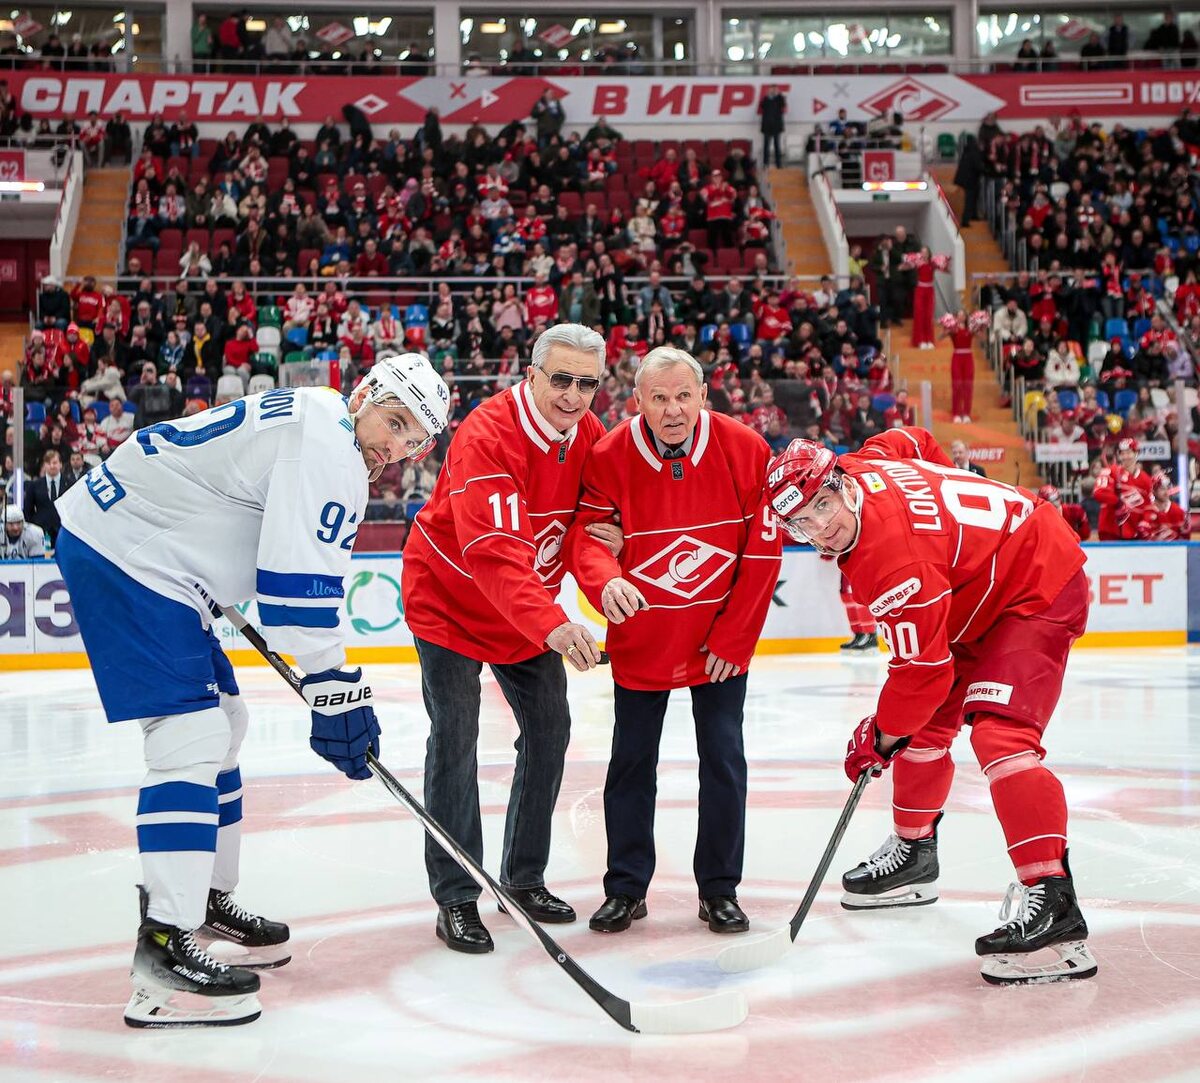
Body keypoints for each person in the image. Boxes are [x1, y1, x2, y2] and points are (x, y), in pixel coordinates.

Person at [53, 355, 451, 1028]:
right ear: (365, 395)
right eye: (394, 422)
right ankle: (162, 953)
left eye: (414, 440)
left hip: (159, 554)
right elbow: (296, 603)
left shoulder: (323, 419)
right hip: (130, 552)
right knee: (190, 738)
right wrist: (338, 692)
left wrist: (333, 686)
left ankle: (203, 898)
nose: (397, 446)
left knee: (226, 724)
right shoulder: (329, 441)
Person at [765, 427, 1096, 985]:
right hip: (974, 589)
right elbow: (911, 438)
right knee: (927, 729)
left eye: (823, 505)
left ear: (841, 484)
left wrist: (878, 738)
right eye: (803, 522)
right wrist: (950, 496)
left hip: (1035, 582)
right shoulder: (864, 461)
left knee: (1000, 737)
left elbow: (921, 675)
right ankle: (915, 855)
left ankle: (1054, 903)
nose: (822, 527)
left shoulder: (892, 564)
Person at [400, 325, 618, 954]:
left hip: (523, 616)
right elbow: (494, 557)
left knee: (550, 731)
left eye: (588, 384)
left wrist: (602, 583)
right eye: (561, 380)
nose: (574, 396)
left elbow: (583, 536)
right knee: (456, 738)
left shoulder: (590, 440)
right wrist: (554, 625)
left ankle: (522, 878)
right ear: (532, 374)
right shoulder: (487, 435)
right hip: (450, 603)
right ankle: (458, 894)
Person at [564, 348, 781, 935]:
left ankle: (719, 890)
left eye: (683, 396)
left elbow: (761, 555)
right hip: (644, 640)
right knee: (630, 765)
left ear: (703, 396)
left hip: (718, 646)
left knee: (724, 762)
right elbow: (586, 538)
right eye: (658, 398)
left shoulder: (745, 449)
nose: (672, 410)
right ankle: (626, 887)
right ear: (638, 403)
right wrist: (605, 578)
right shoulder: (608, 455)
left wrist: (735, 639)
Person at [1093, 438, 1152, 541]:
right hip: (1111, 529)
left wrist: (1145, 522)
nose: (1125, 457)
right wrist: (1118, 502)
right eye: (1122, 453)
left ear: (1136, 453)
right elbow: (1099, 492)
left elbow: (1149, 505)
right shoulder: (1111, 471)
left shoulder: (1145, 479)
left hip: (1135, 531)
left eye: (1129, 453)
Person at [24, 449, 73, 547]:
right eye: (48, 463)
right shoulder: (34, 485)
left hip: (64, 531)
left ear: (60, 464)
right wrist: (35, 525)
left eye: (55, 462)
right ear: (44, 465)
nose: (52, 466)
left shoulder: (70, 484)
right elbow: (27, 510)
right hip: (41, 532)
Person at [1133, 474, 1189, 540]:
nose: (1166, 492)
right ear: (1153, 491)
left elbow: (1185, 538)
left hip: (1174, 549)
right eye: (1162, 489)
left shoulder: (1179, 511)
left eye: (1167, 489)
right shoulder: (1146, 511)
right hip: (1152, 549)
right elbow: (1142, 536)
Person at [758, 85, 787, 169]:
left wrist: (778, 94)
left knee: (777, 146)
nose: (773, 91)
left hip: (776, 126)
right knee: (766, 146)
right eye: (771, 89)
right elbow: (762, 106)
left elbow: (783, 105)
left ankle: (778, 165)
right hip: (767, 126)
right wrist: (767, 96)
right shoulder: (766, 99)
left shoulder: (779, 99)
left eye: (774, 90)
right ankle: (765, 164)